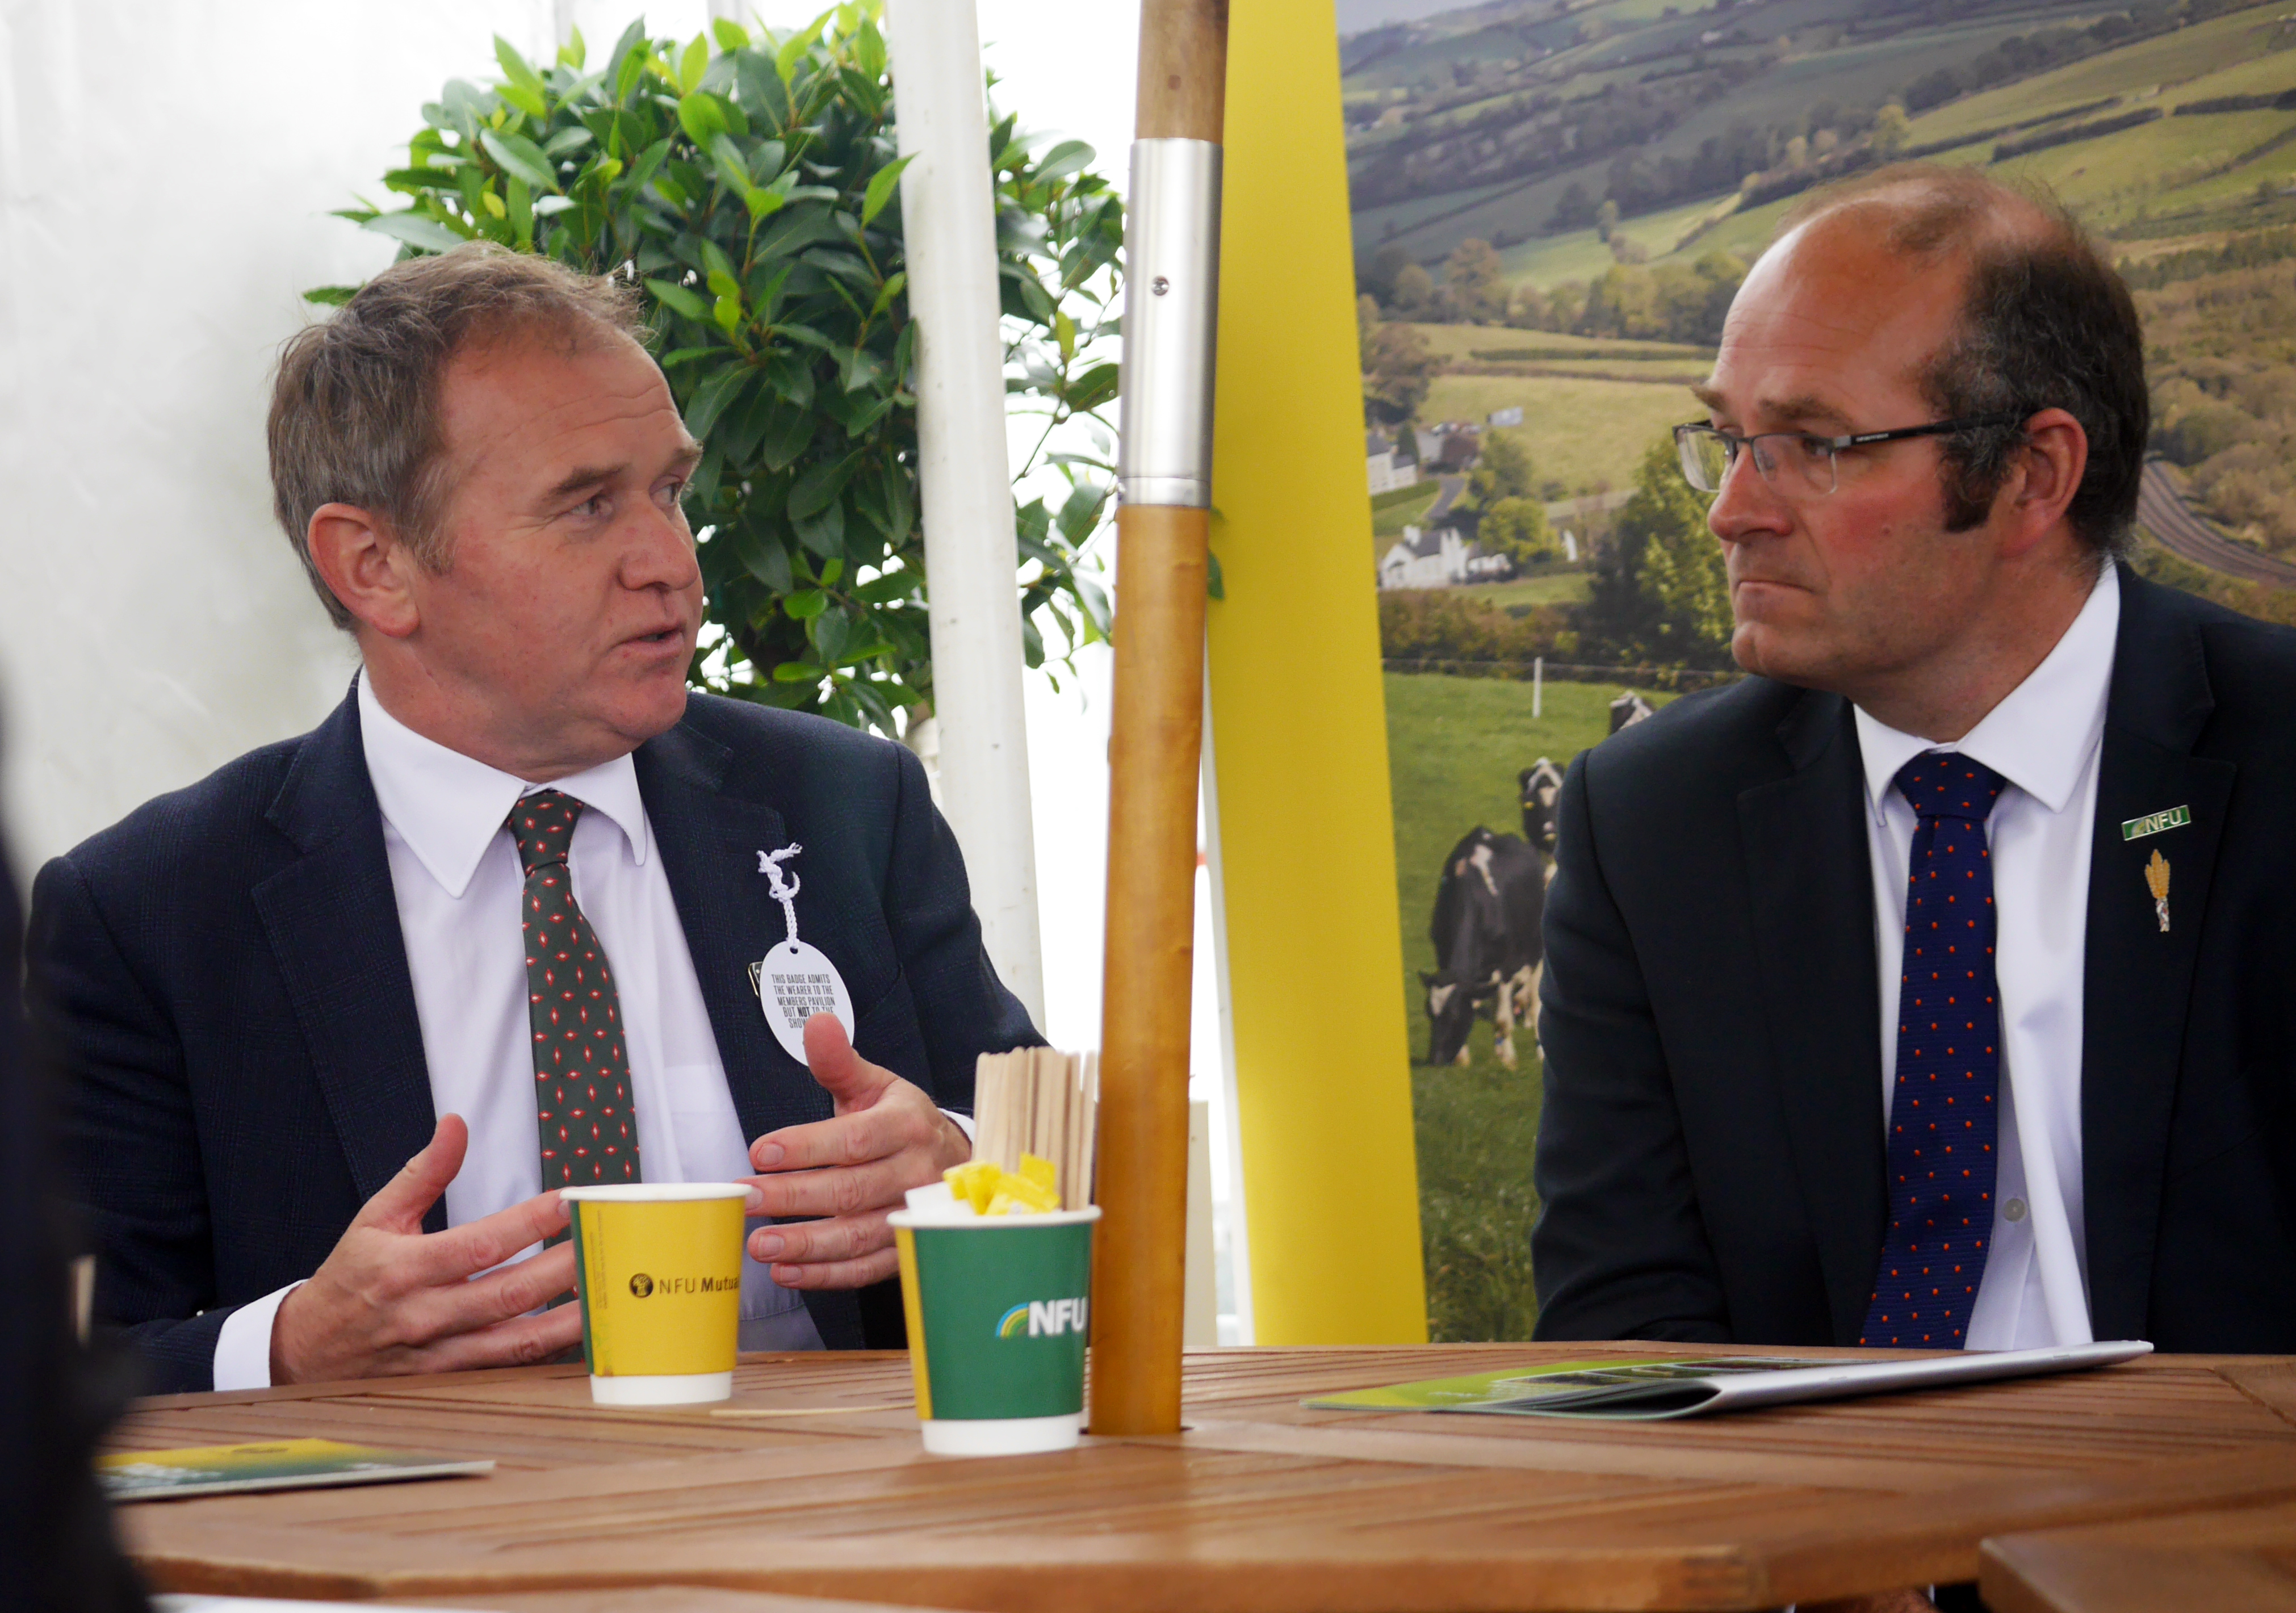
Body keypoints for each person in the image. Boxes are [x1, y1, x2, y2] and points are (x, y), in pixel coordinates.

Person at [26, 246, 1036, 1394]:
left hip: (828, 1547)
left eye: (669, 490)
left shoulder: (848, 803)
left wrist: (954, 1162)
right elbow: (65, 1373)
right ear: (376, 566)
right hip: (419, 1563)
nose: (671, 563)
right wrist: (295, 1342)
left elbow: (1051, 1150)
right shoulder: (152, 913)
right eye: (587, 504)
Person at [1531, 165, 2296, 1355]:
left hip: (2219, 1521)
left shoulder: (2278, 757)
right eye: (1728, 439)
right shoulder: (1649, 821)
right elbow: (1626, 1322)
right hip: (1821, 1523)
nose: (1734, 508)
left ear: (2035, 474)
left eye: (1812, 444)